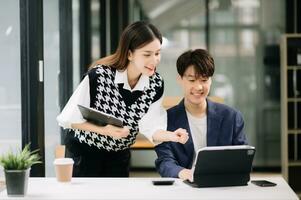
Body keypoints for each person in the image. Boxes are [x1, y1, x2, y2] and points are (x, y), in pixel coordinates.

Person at [57, 21, 188, 177]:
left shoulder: (155, 84)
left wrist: (172, 136)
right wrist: (103, 130)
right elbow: (67, 118)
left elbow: (151, 126)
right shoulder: (100, 76)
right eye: (147, 54)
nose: (154, 60)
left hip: (119, 157)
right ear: (129, 54)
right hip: (84, 154)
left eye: (157, 53)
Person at [155, 49, 247, 181]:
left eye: (204, 80)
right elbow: (165, 161)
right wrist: (184, 173)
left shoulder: (231, 117)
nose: (198, 87)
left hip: (222, 186)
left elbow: (242, 159)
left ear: (211, 81)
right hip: (184, 186)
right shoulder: (165, 120)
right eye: (192, 80)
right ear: (180, 79)